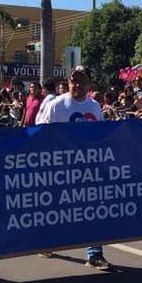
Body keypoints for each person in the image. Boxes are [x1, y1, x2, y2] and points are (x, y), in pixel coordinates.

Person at [41, 65, 111, 270]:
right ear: (68, 82)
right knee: (58, 209)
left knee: (92, 210)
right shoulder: (57, 105)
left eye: (82, 80)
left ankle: (95, 254)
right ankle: (46, 241)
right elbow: (45, 135)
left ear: (89, 84)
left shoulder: (94, 107)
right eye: (74, 80)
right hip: (61, 167)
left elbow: (99, 137)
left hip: (87, 167)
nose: (77, 84)